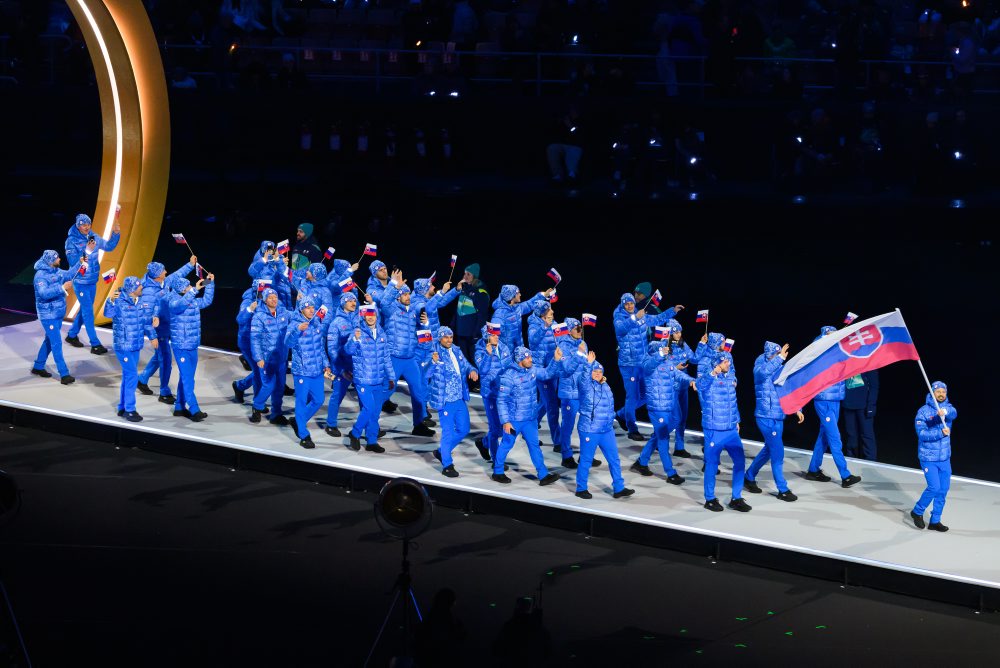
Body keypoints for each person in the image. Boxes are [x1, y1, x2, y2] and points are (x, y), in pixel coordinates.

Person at [493, 346, 564, 486]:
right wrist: (505, 421)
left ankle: (543, 475)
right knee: (507, 444)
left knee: (534, 446)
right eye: (528, 357)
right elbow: (501, 400)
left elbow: (547, 374)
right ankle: (498, 471)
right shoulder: (508, 376)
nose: (531, 359)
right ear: (520, 359)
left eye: (530, 356)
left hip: (530, 419)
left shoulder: (532, 369)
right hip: (514, 420)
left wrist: (556, 360)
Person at [612, 292, 678, 441]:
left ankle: (621, 414)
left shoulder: (641, 315)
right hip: (628, 364)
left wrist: (672, 311)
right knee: (633, 397)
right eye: (627, 304)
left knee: (647, 395)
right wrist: (635, 318)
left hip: (643, 361)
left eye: (631, 303)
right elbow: (621, 330)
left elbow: (657, 319)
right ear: (623, 305)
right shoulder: (619, 318)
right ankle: (632, 428)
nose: (630, 306)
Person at [744, 341, 803, 502]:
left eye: (780, 354)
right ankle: (782, 489)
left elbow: (788, 389)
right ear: (770, 354)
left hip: (778, 416)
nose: (779, 357)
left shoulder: (779, 368)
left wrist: (797, 408)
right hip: (765, 417)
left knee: (769, 449)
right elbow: (764, 373)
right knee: (778, 452)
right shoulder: (759, 368)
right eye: (776, 354)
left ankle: (749, 476)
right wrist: (780, 358)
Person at [379, 271, 435, 437]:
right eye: (404, 294)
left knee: (418, 392)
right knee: (386, 392)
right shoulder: (391, 310)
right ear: (398, 297)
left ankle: (419, 425)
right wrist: (394, 286)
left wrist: (426, 324)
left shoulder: (412, 312)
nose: (407, 296)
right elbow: (384, 302)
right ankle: (370, 424)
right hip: (394, 358)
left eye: (408, 293)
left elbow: (422, 334)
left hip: (410, 359)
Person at [805, 326, 862, 488]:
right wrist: (828, 340)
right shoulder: (819, 352)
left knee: (824, 436)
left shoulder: (836, 351)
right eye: (830, 335)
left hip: (836, 399)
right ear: (824, 336)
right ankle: (845, 475)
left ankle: (813, 469)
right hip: (824, 400)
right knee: (835, 437)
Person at [137, 257, 197, 403]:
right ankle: (164, 392)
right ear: (158, 275)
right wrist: (152, 336)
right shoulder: (149, 293)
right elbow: (146, 318)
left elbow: (177, 275)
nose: (166, 272)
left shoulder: (163, 281)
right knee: (165, 360)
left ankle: (142, 379)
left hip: (166, 327)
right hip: (158, 331)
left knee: (159, 356)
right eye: (163, 270)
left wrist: (190, 264)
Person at [696, 352, 751, 512]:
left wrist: (736, 420)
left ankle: (736, 498)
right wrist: (713, 373)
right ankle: (710, 499)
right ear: (717, 363)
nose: (729, 364)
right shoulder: (708, 378)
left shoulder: (730, 378)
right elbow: (700, 385)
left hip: (731, 429)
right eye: (726, 361)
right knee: (711, 464)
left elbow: (733, 402)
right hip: (714, 429)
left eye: (729, 361)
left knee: (740, 462)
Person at [630, 339, 691, 485]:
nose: (666, 351)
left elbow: (679, 374)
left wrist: (692, 380)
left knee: (674, 422)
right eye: (663, 349)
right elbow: (651, 364)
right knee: (663, 438)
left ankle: (642, 461)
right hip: (657, 407)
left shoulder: (667, 363)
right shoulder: (648, 363)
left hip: (669, 404)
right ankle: (671, 473)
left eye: (666, 349)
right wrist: (660, 354)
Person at [575, 358, 634, 500]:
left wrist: (612, 418)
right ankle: (581, 488)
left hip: (606, 429)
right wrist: (588, 365)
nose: (597, 373)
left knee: (614, 459)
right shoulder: (585, 385)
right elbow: (584, 378)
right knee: (586, 460)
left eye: (599, 371)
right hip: (590, 429)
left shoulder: (605, 385)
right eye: (594, 371)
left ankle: (619, 488)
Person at [64, 210, 121, 354]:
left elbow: (109, 247)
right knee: (89, 312)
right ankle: (95, 344)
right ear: (78, 226)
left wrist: (115, 234)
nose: (87, 227)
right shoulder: (71, 241)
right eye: (84, 225)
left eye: (89, 224)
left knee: (85, 309)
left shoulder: (93, 236)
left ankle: (72, 335)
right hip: (80, 282)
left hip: (92, 281)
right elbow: (73, 262)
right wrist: (87, 251)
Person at [425, 326, 479, 477]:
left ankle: (442, 451)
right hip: (445, 400)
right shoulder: (434, 352)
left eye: (451, 337)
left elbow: (466, 365)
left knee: (464, 429)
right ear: (440, 338)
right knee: (447, 433)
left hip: (459, 398)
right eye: (446, 337)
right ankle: (447, 465)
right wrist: (433, 362)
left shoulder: (456, 350)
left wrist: (472, 370)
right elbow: (425, 373)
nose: (449, 340)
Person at [103, 276, 158, 422]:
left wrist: (153, 336)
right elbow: (108, 314)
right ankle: (130, 410)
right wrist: (110, 300)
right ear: (133, 289)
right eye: (139, 286)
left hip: (135, 345)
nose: (142, 287)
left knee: (128, 376)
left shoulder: (139, 301)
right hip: (124, 346)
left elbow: (145, 322)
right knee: (132, 375)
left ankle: (122, 407)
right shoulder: (119, 301)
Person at [344, 304, 395, 452]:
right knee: (368, 408)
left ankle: (372, 441)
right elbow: (348, 350)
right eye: (368, 315)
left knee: (375, 411)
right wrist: (355, 339)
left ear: (376, 316)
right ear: (364, 316)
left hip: (378, 380)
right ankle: (355, 433)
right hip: (363, 379)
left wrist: (391, 377)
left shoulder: (382, 333)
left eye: (373, 314)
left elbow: (386, 357)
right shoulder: (357, 332)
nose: (371, 317)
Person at [167, 272, 215, 421]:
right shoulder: (173, 302)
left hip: (192, 344)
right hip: (181, 345)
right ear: (182, 289)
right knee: (188, 379)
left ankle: (179, 407)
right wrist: (194, 290)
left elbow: (206, 301)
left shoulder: (192, 300)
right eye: (188, 286)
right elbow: (181, 305)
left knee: (186, 377)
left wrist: (209, 283)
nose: (190, 287)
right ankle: (194, 409)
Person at [284, 299, 331, 449]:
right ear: (301, 310)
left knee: (319, 400)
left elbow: (320, 347)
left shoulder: (316, 323)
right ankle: (304, 435)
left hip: (317, 370)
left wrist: (326, 364)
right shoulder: (295, 324)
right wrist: (297, 330)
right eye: (308, 308)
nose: (311, 310)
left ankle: (299, 421)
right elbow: (288, 343)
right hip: (302, 371)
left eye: (312, 307)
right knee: (301, 401)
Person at [30, 249, 82, 384]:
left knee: (49, 340)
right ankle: (64, 374)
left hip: (58, 313)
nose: (59, 259)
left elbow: (69, 274)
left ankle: (38, 366)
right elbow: (44, 294)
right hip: (48, 315)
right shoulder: (40, 276)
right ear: (50, 261)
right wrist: (62, 288)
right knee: (56, 343)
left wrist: (80, 263)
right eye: (57, 257)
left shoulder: (56, 271)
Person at [553, 318, 599, 468]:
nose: (580, 330)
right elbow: (567, 369)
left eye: (581, 328)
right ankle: (566, 456)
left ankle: (585, 456)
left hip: (583, 391)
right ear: (569, 330)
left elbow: (587, 365)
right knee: (568, 426)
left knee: (587, 425)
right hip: (569, 393)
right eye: (577, 328)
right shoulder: (562, 346)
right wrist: (579, 353)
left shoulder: (583, 344)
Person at [911, 381, 956, 532]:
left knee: (943, 490)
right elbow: (922, 434)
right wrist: (940, 432)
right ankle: (917, 511)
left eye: (943, 391)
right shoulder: (923, 412)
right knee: (934, 487)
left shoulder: (948, 408)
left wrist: (944, 412)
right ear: (932, 393)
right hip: (928, 457)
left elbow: (954, 413)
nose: (941, 394)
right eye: (938, 392)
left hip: (944, 458)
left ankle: (935, 520)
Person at [249, 288, 290, 425]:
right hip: (267, 359)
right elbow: (255, 339)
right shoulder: (259, 317)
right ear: (265, 300)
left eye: (275, 297)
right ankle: (257, 406)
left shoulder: (283, 312)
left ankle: (276, 414)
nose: (274, 300)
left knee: (279, 387)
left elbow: (297, 316)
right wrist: (258, 357)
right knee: (269, 386)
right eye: (270, 298)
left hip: (281, 358)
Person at [324, 292, 359, 438]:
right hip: (342, 366)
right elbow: (332, 350)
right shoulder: (336, 323)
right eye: (349, 300)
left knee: (364, 398)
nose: (353, 303)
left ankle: (370, 426)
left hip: (358, 366)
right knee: (338, 395)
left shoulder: (359, 319)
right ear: (343, 302)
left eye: (354, 300)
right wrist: (341, 369)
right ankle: (331, 424)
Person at [474, 323, 510, 463]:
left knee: (501, 429)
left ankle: (483, 443)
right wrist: (488, 355)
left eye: (497, 334)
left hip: (504, 393)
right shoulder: (480, 351)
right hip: (490, 394)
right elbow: (482, 370)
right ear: (487, 337)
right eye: (493, 335)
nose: (497, 337)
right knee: (495, 430)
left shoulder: (503, 347)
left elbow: (509, 366)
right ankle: (496, 461)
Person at [527, 301, 561, 448]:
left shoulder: (554, 323)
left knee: (544, 402)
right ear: (542, 313)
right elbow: (533, 341)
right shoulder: (534, 326)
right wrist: (545, 326)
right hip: (541, 371)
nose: (552, 312)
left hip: (553, 367)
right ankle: (559, 442)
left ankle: (529, 427)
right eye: (549, 310)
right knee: (552, 405)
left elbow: (562, 339)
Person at [491, 284, 555, 354]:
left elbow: (529, 304)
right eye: (518, 293)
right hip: (506, 353)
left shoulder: (517, 308)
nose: (520, 295)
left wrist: (544, 295)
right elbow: (493, 336)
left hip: (519, 350)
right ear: (512, 297)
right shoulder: (499, 314)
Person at [414, 588, 466, 667]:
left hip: (428, 658)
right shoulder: (445, 616)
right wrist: (460, 630)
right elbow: (451, 637)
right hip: (439, 658)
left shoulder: (431, 615)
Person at [232, 278, 264, 405]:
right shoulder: (248, 301)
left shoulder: (267, 299)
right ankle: (258, 404)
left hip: (261, 342)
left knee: (262, 370)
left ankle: (240, 386)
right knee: (259, 371)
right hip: (247, 342)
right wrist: (250, 309)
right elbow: (240, 319)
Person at [452, 263, 490, 366]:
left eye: (468, 274)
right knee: (463, 361)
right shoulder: (463, 290)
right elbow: (459, 309)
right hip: (461, 333)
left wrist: (477, 333)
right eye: (464, 274)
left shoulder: (481, 292)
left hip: (472, 335)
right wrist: (453, 326)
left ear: (474, 276)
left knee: (474, 361)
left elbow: (482, 316)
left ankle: (477, 377)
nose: (465, 276)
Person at [666, 319, 694, 456]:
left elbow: (694, 358)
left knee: (683, 417)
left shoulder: (683, 344)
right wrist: (675, 367)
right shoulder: (664, 346)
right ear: (670, 333)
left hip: (683, 386)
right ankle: (658, 440)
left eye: (680, 331)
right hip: (671, 388)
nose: (679, 334)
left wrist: (703, 345)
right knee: (675, 417)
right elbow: (661, 368)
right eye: (676, 332)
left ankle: (679, 447)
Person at [843, 370, 879, 460]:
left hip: (865, 406)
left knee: (867, 434)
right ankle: (851, 458)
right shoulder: (846, 363)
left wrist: (871, 405)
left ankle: (870, 461)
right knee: (851, 435)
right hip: (848, 405)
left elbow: (874, 385)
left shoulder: (868, 363)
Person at [248, 240, 292, 308]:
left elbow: (289, 279)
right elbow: (251, 272)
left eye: (271, 250)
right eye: (268, 250)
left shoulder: (279, 261)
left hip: (283, 299)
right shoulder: (260, 264)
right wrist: (264, 260)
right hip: (267, 299)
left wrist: (280, 263)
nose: (270, 252)